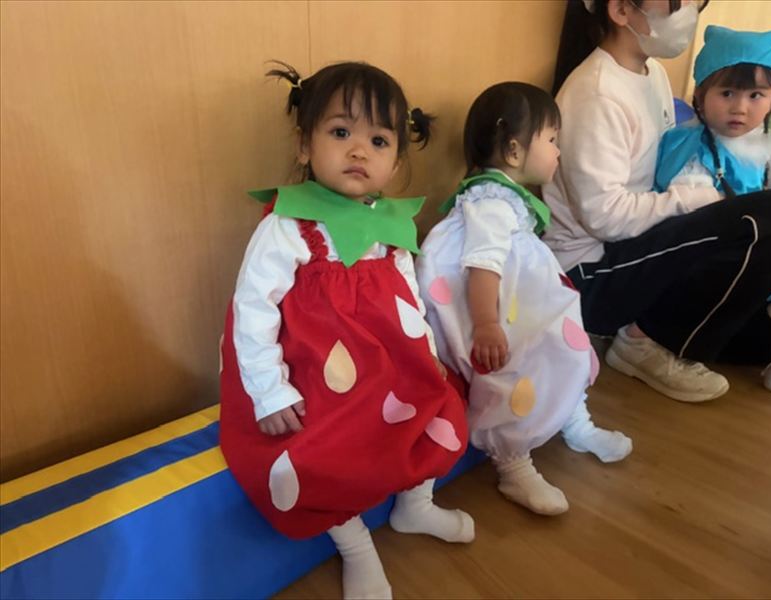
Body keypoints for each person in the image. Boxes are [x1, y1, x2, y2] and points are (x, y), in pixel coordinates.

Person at [219, 61, 474, 600]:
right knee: (327, 449)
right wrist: (269, 390)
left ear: (395, 161)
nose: (359, 150)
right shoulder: (288, 225)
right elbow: (252, 309)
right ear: (304, 146)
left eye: (378, 141)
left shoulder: (390, 226)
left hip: (388, 363)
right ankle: (355, 543)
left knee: (440, 404)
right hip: (318, 375)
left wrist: (428, 353)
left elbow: (410, 298)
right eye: (340, 133)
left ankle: (416, 505)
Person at [543, 0, 771, 403]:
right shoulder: (596, 92)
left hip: (638, 245)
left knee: (765, 340)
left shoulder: (653, 74)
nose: (688, 15)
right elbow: (604, 219)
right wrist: (692, 200)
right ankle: (643, 341)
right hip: (590, 273)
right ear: (621, 10)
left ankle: (660, 331)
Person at [417, 82, 632, 517]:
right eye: (551, 140)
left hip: (525, 299)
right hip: (496, 308)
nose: (558, 151)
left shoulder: (505, 198)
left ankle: (575, 422)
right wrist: (486, 323)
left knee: (562, 348)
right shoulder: (490, 201)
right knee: (512, 369)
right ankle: (512, 461)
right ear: (514, 151)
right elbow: (483, 263)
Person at [653, 25, 771, 399]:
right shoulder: (692, 147)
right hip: (697, 274)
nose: (740, 107)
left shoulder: (756, 147)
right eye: (727, 93)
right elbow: (693, 223)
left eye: (755, 95)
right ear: (701, 94)